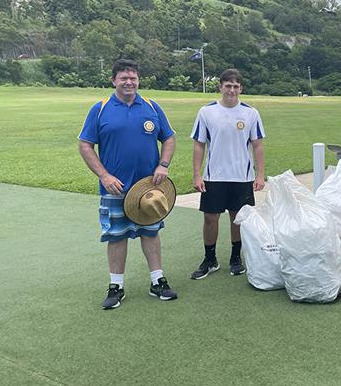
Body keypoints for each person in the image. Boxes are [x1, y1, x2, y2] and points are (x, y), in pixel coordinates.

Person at [79, 59, 178, 310]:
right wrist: (104, 175)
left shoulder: (151, 107)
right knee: (117, 236)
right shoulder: (100, 109)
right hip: (116, 188)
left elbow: (168, 138)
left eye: (133, 77)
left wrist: (163, 165)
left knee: (151, 232)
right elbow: (85, 145)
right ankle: (116, 286)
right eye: (123, 78)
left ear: (138, 80)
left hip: (149, 188)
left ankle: (157, 281)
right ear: (114, 80)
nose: (129, 82)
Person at [190, 69, 266, 279]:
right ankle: (210, 259)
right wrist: (197, 175)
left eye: (236, 86)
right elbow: (199, 145)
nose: (232, 90)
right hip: (214, 176)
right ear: (221, 86)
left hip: (242, 177)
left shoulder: (251, 113)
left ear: (241, 88)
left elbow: (257, 145)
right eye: (228, 85)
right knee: (210, 218)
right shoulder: (206, 112)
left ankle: (235, 258)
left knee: (238, 218)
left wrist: (260, 175)